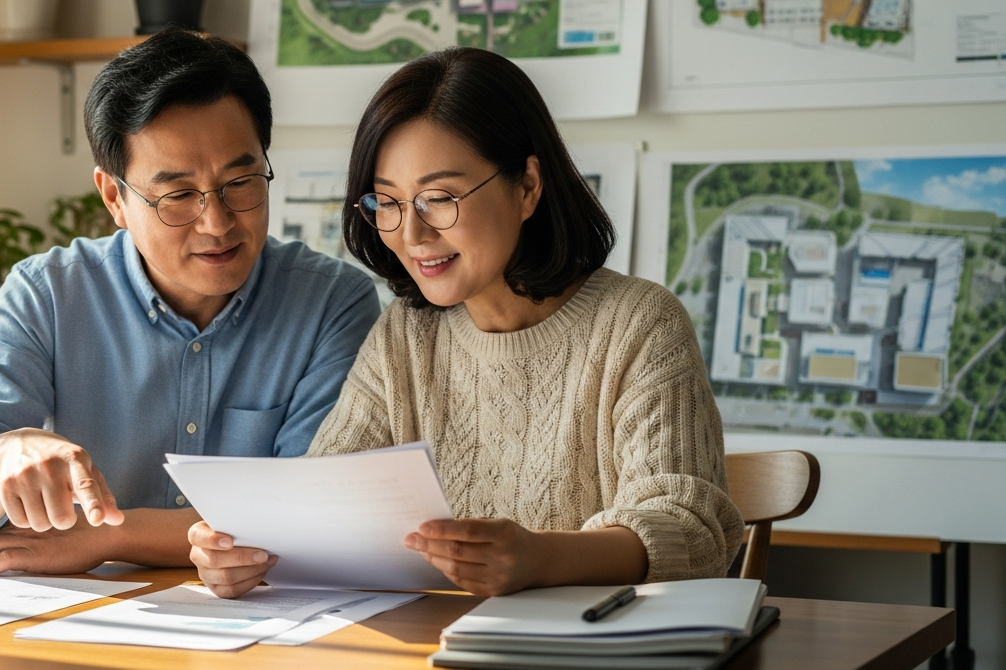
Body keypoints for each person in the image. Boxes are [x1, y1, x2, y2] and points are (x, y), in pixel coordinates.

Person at [188, 48, 744, 598]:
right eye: (388, 202)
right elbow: (323, 504)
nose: (412, 234)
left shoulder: (639, 324)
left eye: (439, 198)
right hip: (432, 640)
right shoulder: (406, 336)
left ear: (527, 187)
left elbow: (694, 533)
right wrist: (241, 552)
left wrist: (539, 559)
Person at [0, 29, 381, 577]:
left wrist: (108, 535)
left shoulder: (331, 303)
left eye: (241, 181)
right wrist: (1, 456)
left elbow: (308, 512)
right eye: (178, 195)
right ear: (114, 197)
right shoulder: (48, 293)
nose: (217, 222)